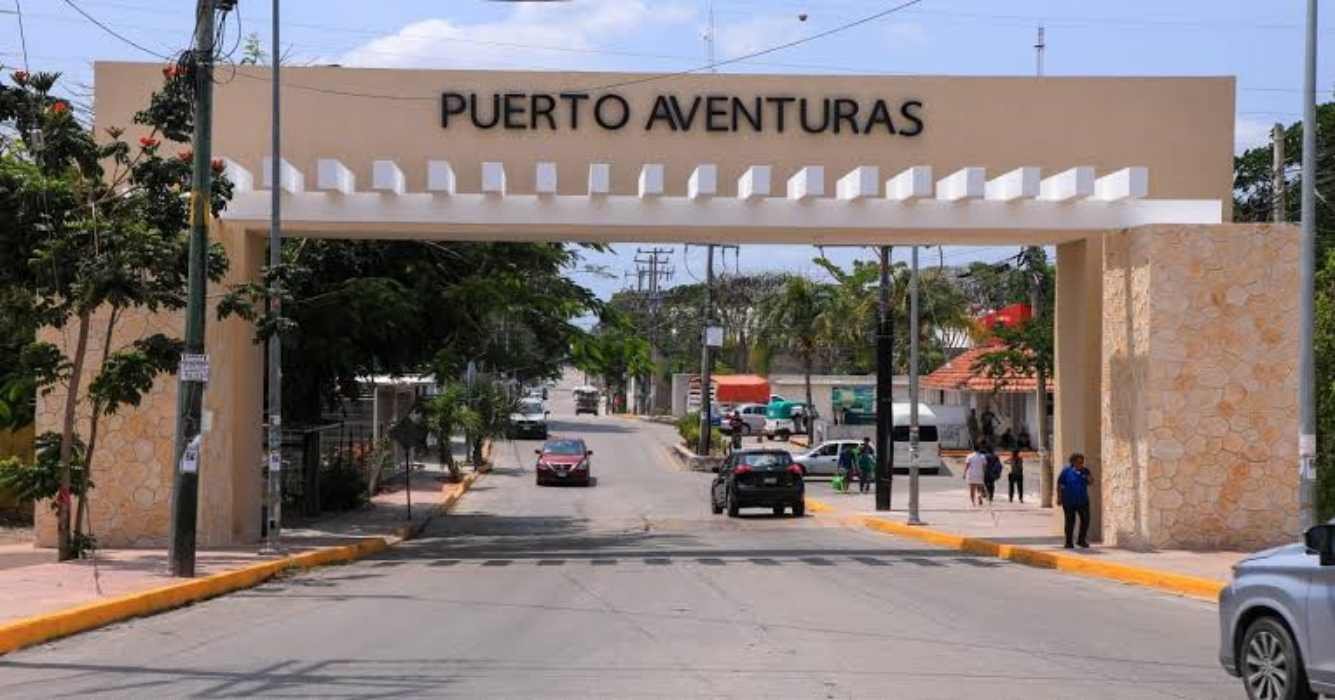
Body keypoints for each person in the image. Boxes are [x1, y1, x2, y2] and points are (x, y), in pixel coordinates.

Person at [1057, 453, 1092, 549]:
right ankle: (1068, 542)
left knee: (1085, 520)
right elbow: (1060, 485)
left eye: (1082, 462)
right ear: (1072, 462)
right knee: (1070, 522)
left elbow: (1091, 482)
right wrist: (1059, 498)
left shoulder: (1085, 471)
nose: (1081, 464)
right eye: (1078, 462)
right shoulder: (1066, 472)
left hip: (1083, 500)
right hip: (1069, 500)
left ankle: (1081, 540)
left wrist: (1087, 477)